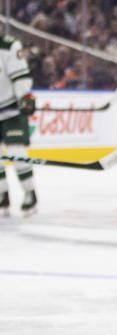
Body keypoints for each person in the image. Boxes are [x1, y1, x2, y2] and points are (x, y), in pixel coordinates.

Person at [0, 34, 38, 218]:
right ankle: (2, 195)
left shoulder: (9, 46)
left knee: (17, 153)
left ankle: (29, 193)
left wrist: (25, 98)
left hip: (12, 111)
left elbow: (20, 76)